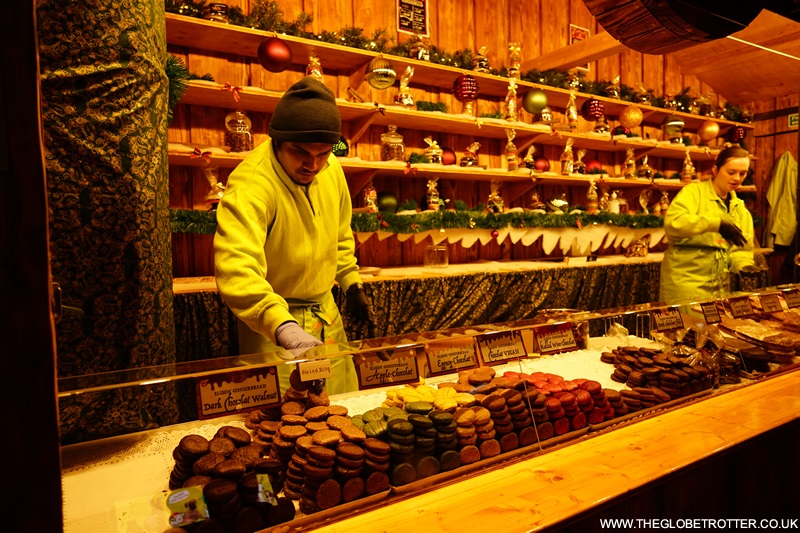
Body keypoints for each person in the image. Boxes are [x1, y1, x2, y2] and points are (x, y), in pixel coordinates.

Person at [214, 76, 372, 394]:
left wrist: (351, 284)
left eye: (323, 153)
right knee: (284, 425)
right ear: (277, 140)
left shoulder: (332, 169)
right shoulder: (251, 185)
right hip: (273, 325)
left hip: (326, 314)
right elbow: (236, 268)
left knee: (342, 411)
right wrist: (281, 326)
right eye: (300, 152)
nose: (312, 165)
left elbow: (340, 235)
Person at [659, 143, 755, 304]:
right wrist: (716, 224)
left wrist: (744, 266)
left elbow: (741, 249)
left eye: (742, 173)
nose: (737, 178)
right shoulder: (693, 193)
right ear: (715, 170)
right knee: (687, 329)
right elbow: (673, 224)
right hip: (685, 284)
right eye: (731, 172)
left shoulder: (739, 208)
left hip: (720, 286)